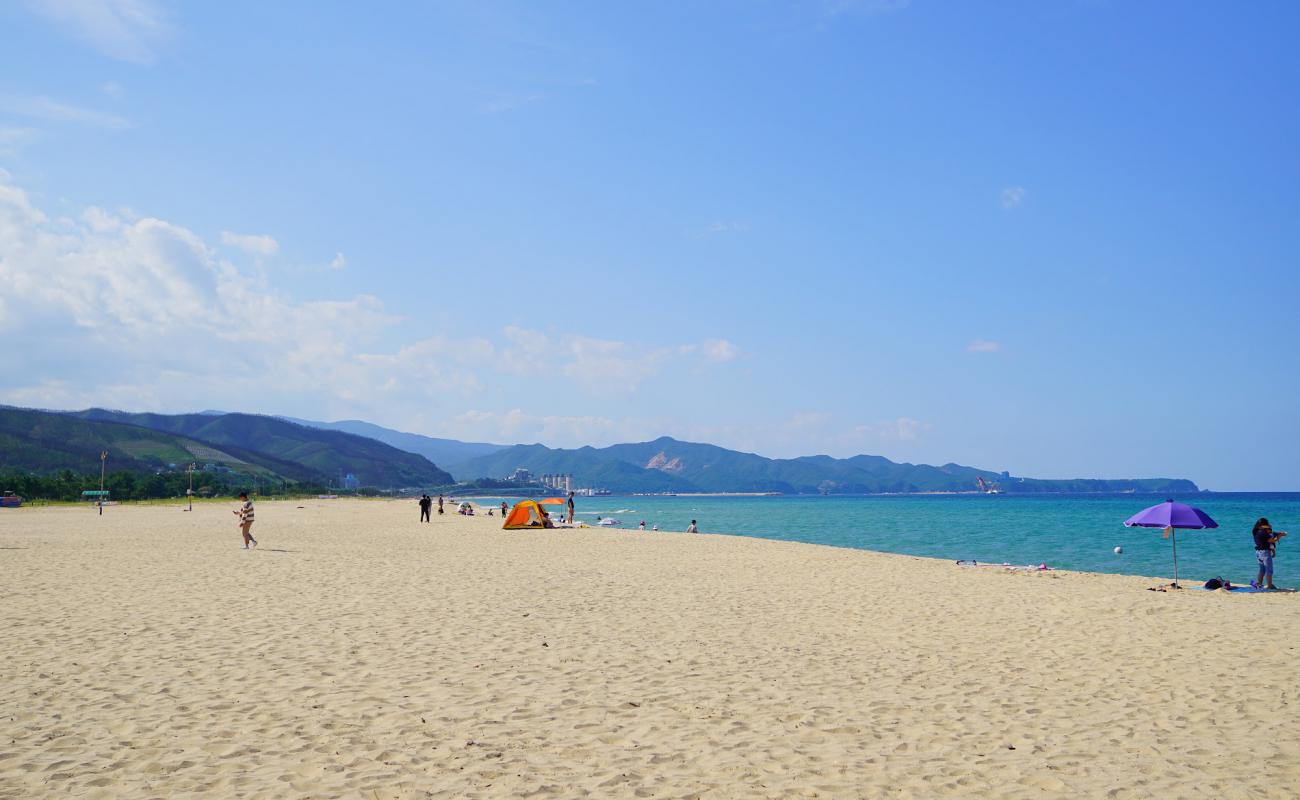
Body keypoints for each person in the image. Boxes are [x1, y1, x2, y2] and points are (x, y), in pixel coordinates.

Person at [1252, 518, 1287, 590]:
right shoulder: (1263, 532)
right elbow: (1272, 540)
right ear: (1263, 525)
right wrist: (1279, 536)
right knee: (1269, 570)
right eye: (1267, 524)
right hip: (1265, 553)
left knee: (1262, 570)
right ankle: (1270, 585)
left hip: (1258, 552)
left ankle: (1259, 583)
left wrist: (1279, 533)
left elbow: (1271, 534)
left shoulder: (1256, 531)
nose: (1268, 525)